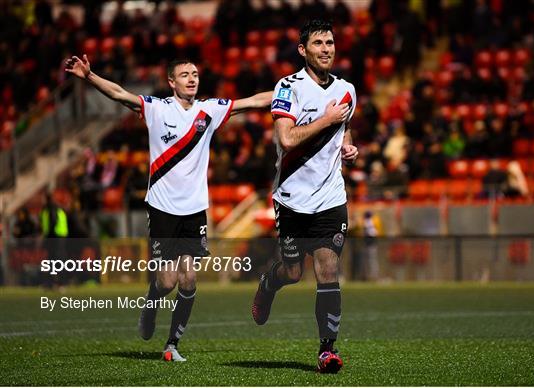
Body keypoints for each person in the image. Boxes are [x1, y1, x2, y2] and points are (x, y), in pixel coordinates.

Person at [64, 54, 272, 362]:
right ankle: (151, 302)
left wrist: (291, 90)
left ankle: (172, 344)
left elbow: (253, 101)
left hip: (194, 210)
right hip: (162, 208)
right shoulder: (157, 109)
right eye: (184, 74)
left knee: (188, 279)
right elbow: (121, 95)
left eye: (195, 73)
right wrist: (90, 77)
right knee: (167, 281)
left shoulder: (209, 110)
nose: (192, 78)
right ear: (171, 82)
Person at [251, 19, 358, 374]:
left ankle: (327, 349)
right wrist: (327, 121)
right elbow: (287, 139)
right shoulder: (288, 87)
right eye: (318, 43)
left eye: (330, 41)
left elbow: (343, 126)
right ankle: (269, 283)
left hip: (330, 197)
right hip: (292, 198)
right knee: (293, 272)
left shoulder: (347, 90)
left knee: (328, 269)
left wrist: (346, 145)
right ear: (303, 50)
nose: (326, 48)